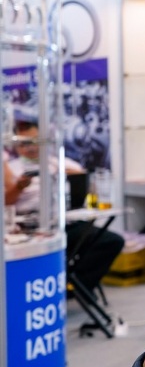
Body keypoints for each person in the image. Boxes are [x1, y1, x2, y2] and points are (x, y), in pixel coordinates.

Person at [5, 119, 123, 295]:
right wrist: (19, 186)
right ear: (17, 145)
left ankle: (75, 287)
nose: (31, 148)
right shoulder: (11, 169)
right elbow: (6, 201)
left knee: (111, 241)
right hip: (31, 227)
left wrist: (69, 175)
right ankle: (71, 286)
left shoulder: (57, 162)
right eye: (25, 143)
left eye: (35, 141)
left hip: (65, 222)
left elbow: (84, 177)